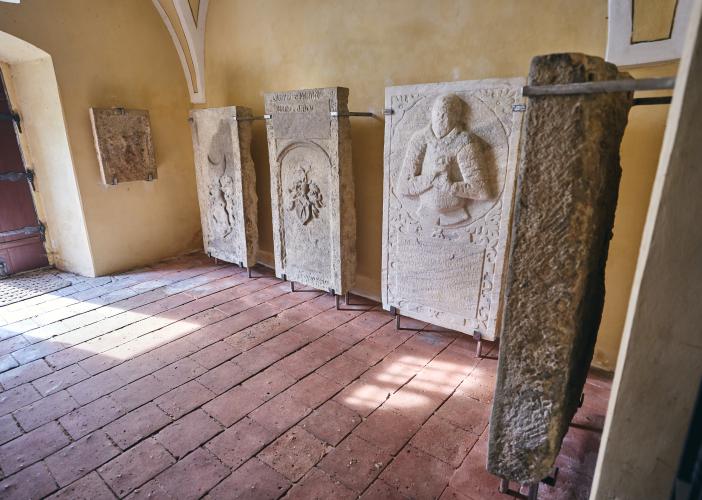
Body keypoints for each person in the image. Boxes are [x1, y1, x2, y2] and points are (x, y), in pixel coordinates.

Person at [398, 93, 491, 227]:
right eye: (437, 112)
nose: (440, 118)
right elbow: (403, 187)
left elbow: (481, 190)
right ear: (432, 113)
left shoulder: (464, 141)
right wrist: (432, 177)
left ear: (456, 117)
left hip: (457, 214)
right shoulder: (419, 139)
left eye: (446, 114)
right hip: (423, 212)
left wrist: (451, 187)